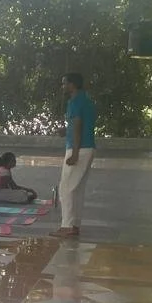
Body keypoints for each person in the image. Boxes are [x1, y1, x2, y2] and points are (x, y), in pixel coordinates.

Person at [56, 71, 96, 238]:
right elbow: (78, 125)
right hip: (88, 147)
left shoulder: (75, 101)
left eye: (65, 83)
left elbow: (78, 126)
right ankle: (74, 225)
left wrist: (75, 153)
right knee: (77, 189)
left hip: (78, 148)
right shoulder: (87, 101)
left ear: (73, 85)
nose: (63, 86)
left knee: (66, 188)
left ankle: (67, 226)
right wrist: (66, 131)